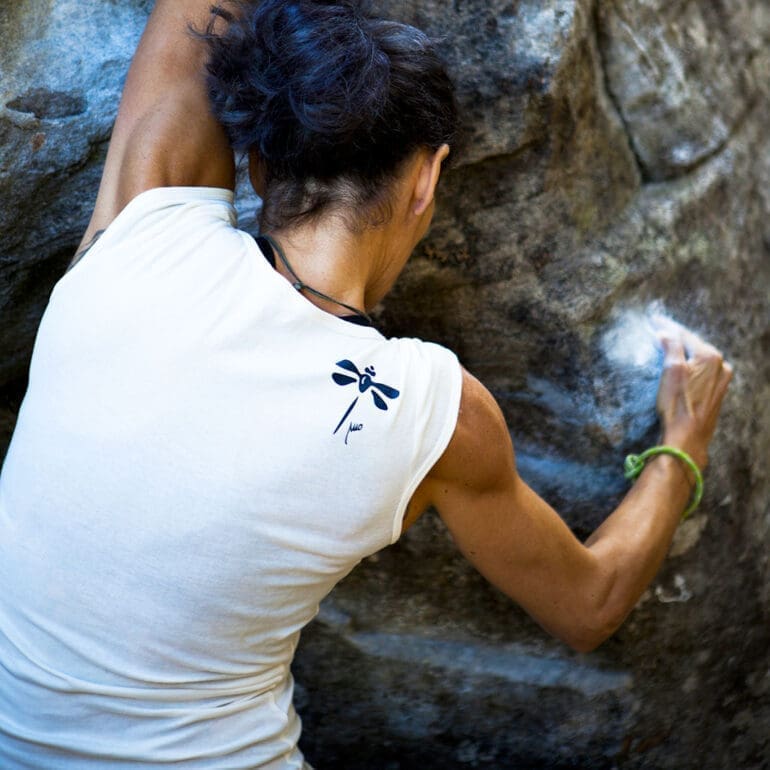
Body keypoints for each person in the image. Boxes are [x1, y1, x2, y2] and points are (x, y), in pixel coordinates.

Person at [0, 0, 732, 767]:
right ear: (427, 179)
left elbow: (191, 19)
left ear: (257, 166)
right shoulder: (432, 414)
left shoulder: (141, 228)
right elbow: (589, 604)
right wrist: (684, 448)